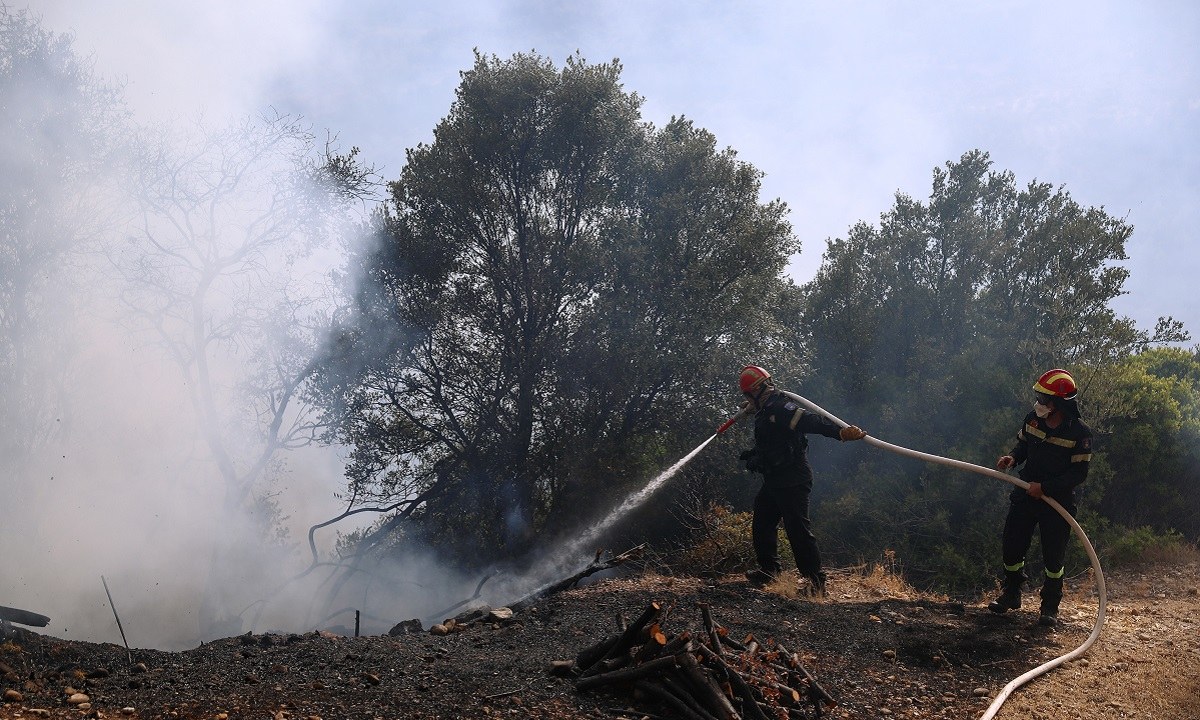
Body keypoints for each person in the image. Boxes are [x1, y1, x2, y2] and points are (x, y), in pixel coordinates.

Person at [736, 364, 866, 595]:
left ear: (756, 390)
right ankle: (769, 571)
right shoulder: (766, 408)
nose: (746, 399)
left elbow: (811, 421)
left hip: (793, 480)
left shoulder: (781, 407)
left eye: (747, 394)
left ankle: (816, 584)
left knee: (797, 530)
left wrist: (840, 434)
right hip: (775, 479)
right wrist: (753, 410)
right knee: (762, 523)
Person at [989, 368, 1093, 626]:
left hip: (1057, 503)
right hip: (1025, 494)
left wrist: (1045, 488)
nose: (1039, 403)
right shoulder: (1032, 420)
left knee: (1053, 558)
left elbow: (1079, 473)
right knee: (1012, 547)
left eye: (1044, 399)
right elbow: (1023, 445)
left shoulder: (1080, 433)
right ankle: (1011, 593)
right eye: (1038, 397)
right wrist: (1012, 458)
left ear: (1059, 403)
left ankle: (1049, 607)